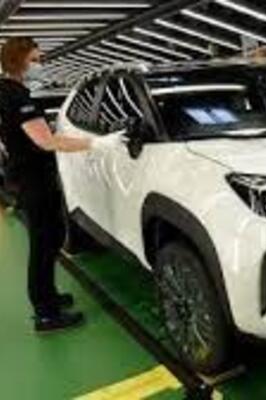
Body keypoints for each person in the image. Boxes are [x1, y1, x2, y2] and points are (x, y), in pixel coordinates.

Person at [0, 37, 122, 333]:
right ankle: (45, 313)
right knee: (43, 245)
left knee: (52, 237)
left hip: (29, 177)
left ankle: (49, 296)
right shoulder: (17, 97)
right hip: (34, 180)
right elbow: (46, 141)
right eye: (35, 60)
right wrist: (96, 143)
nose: (39, 65)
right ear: (17, 61)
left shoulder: (8, 91)